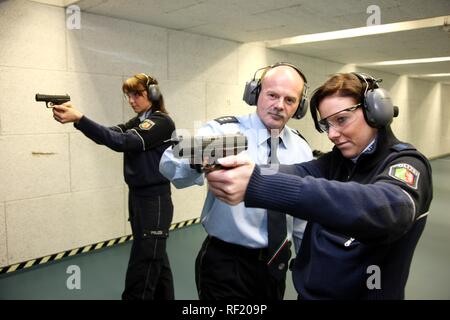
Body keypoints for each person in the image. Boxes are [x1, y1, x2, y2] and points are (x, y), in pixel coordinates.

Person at [206, 72, 433, 299]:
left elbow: (388, 209)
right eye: (327, 125)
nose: (332, 134)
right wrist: (246, 171)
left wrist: (255, 183)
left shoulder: (406, 163)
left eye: (342, 119)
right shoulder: (338, 161)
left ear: (375, 112)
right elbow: (295, 172)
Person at [159, 63, 313, 300]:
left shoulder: (301, 149)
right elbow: (168, 162)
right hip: (227, 264)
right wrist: (201, 156)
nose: (279, 106)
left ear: (299, 107)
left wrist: (308, 266)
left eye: (290, 100)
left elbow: (302, 215)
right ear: (255, 93)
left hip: (276, 264)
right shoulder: (224, 132)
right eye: (272, 95)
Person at [52, 73, 176, 300]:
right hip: (139, 198)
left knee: (143, 267)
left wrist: (80, 118)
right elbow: (111, 134)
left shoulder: (161, 122)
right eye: (128, 95)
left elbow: (123, 142)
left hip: (154, 200)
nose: (131, 100)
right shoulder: (139, 120)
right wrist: (78, 120)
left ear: (153, 94)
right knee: (156, 259)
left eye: (136, 94)